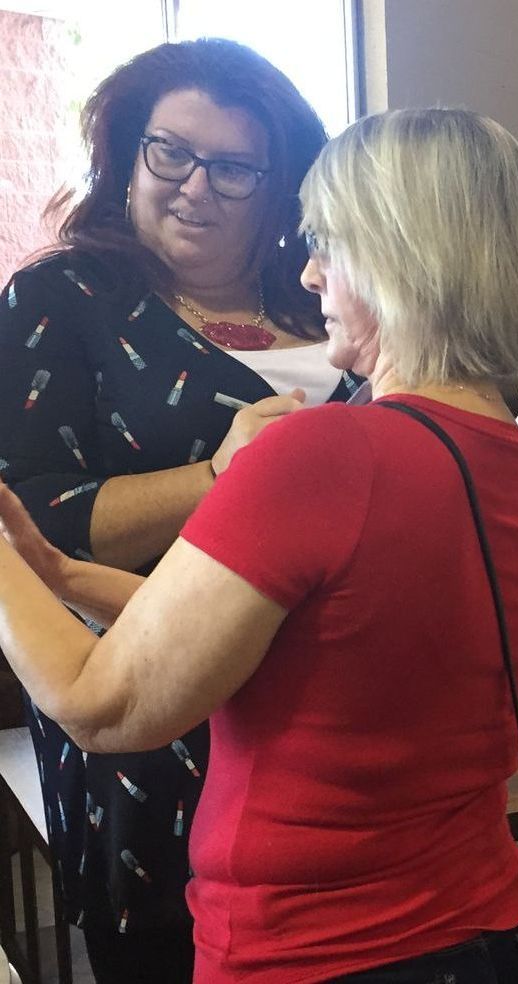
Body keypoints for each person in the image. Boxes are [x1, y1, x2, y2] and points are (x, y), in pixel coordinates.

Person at [0, 106, 518, 983]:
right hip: (475, 929)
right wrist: (60, 572)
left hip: (316, 951)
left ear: (396, 261)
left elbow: (105, 707)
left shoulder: (326, 455)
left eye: (328, 247)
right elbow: (302, 641)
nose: (306, 275)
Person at [0, 38, 342, 979]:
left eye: (233, 168)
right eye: (171, 152)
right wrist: (219, 481)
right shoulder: (62, 296)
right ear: (127, 154)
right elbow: (27, 519)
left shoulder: (320, 301)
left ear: (279, 187)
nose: (196, 185)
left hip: (330, 702)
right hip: (150, 699)